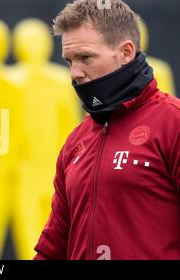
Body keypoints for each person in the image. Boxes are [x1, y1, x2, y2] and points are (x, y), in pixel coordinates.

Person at [34, 0, 180, 260]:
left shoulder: (173, 123)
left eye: (85, 57)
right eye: (69, 61)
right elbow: (53, 247)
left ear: (125, 52)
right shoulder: (75, 142)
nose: (74, 73)